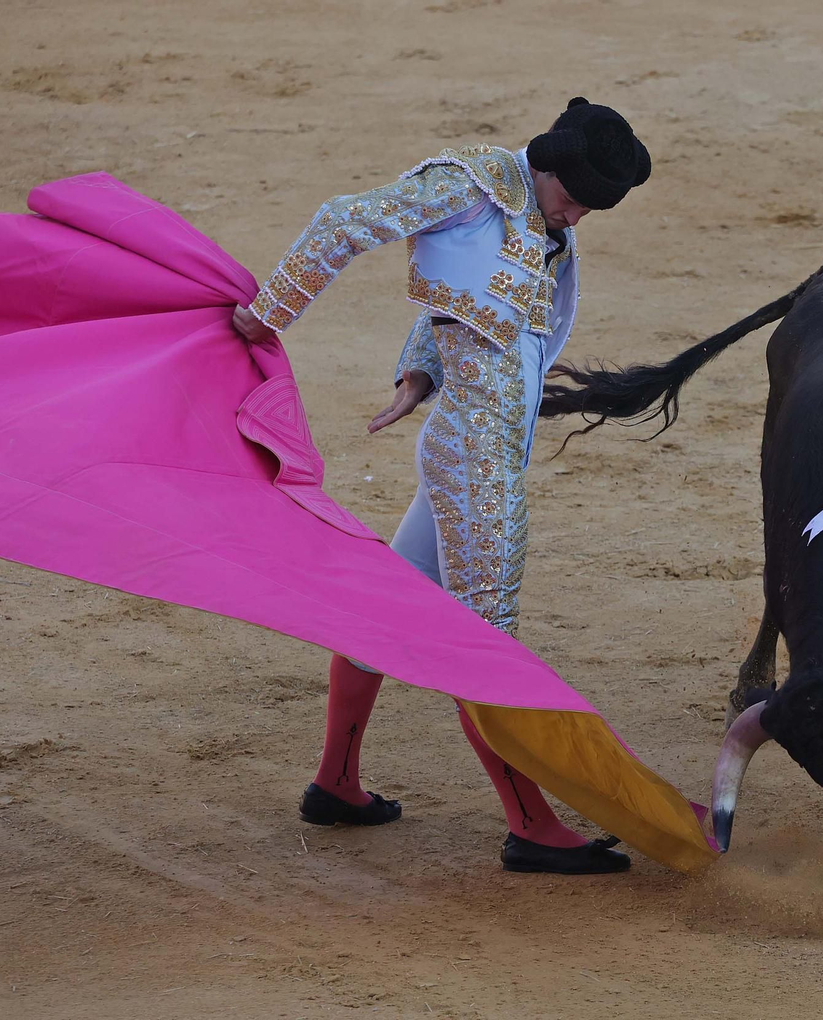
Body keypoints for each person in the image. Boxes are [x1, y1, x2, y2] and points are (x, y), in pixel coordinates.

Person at [232, 98, 651, 874]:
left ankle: (336, 782)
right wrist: (269, 315)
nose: (579, 216)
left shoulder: (537, 222)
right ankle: (531, 826)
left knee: (380, 618)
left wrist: (422, 368)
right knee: (484, 643)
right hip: (478, 466)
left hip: (469, 451)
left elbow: (465, 297)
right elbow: (343, 221)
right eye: (575, 198)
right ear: (548, 165)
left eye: (593, 208)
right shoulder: (473, 185)